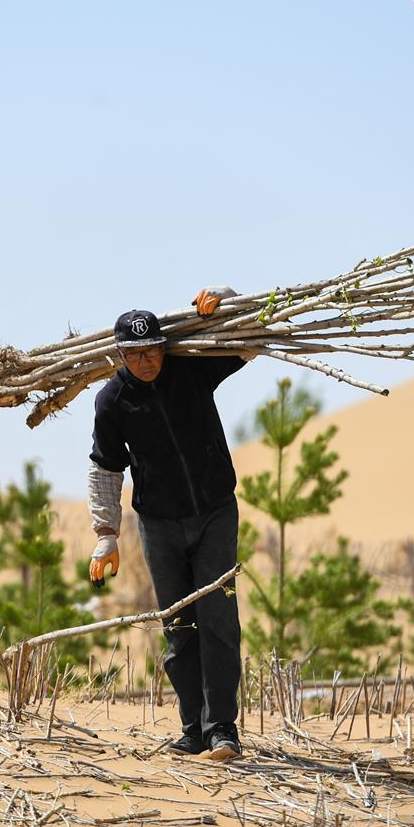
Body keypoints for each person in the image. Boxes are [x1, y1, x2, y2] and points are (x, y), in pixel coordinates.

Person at [87, 288, 253, 760]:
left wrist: (226, 299)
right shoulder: (112, 400)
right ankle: (191, 729)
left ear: (163, 346)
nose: (146, 360)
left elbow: (249, 341)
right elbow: (105, 468)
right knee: (178, 625)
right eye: (135, 353)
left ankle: (222, 728)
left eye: (153, 349)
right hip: (158, 524)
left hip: (216, 511)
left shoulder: (192, 367)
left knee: (219, 619)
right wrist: (106, 535)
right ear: (120, 354)